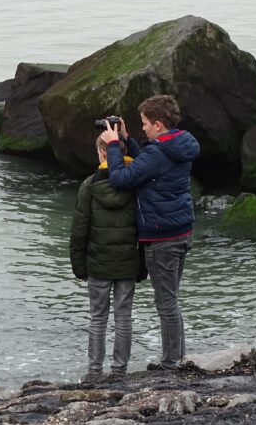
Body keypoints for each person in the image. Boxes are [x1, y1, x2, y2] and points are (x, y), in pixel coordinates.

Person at [100, 95, 200, 370]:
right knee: (172, 300)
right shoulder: (180, 144)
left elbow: (121, 179)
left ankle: (171, 363)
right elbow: (150, 161)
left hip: (162, 237)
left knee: (166, 304)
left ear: (158, 124)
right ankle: (177, 357)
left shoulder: (158, 152)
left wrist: (112, 146)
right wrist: (128, 140)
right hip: (181, 230)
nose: (142, 128)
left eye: (145, 123)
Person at [69, 134, 141, 381]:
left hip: (98, 264)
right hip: (127, 263)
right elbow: (142, 226)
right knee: (124, 318)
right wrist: (141, 266)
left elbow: (79, 229)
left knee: (98, 318)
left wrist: (79, 266)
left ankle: (95, 371)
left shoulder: (89, 186)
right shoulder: (135, 184)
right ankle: (120, 371)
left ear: (102, 153)